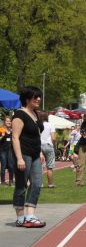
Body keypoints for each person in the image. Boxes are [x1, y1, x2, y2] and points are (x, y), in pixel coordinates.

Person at [11, 87, 46, 228]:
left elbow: (36, 135)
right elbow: (15, 137)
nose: (38, 99)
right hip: (23, 154)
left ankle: (30, 216)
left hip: (35, 153)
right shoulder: (19, 114)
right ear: (27, 99)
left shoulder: (35, 114)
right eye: (35, 97)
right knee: (21, 185)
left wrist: (40, 152)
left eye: (39, 97)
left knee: (37, 183)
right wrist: (19, 158)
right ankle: (20, 217)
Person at [39, 112, 56, 188]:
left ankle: (40, 184)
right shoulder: (50, 125)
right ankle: (50, 184)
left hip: (39, 146)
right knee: (50, 167)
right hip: (49, 146)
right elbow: (53, 138)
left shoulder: (37, 125)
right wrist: (53, 145)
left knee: (39, 166)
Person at [0, 116, 14, 186]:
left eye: (10, 121)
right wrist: (2, 136)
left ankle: (11, 181)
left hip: (11, 151)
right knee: (3, 166)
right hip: (3, 150)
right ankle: (3, 181)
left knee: (11, 166)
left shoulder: (13, 130)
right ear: (4, 122)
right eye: (7, 121)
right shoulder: (1, 129)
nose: (9, 122)